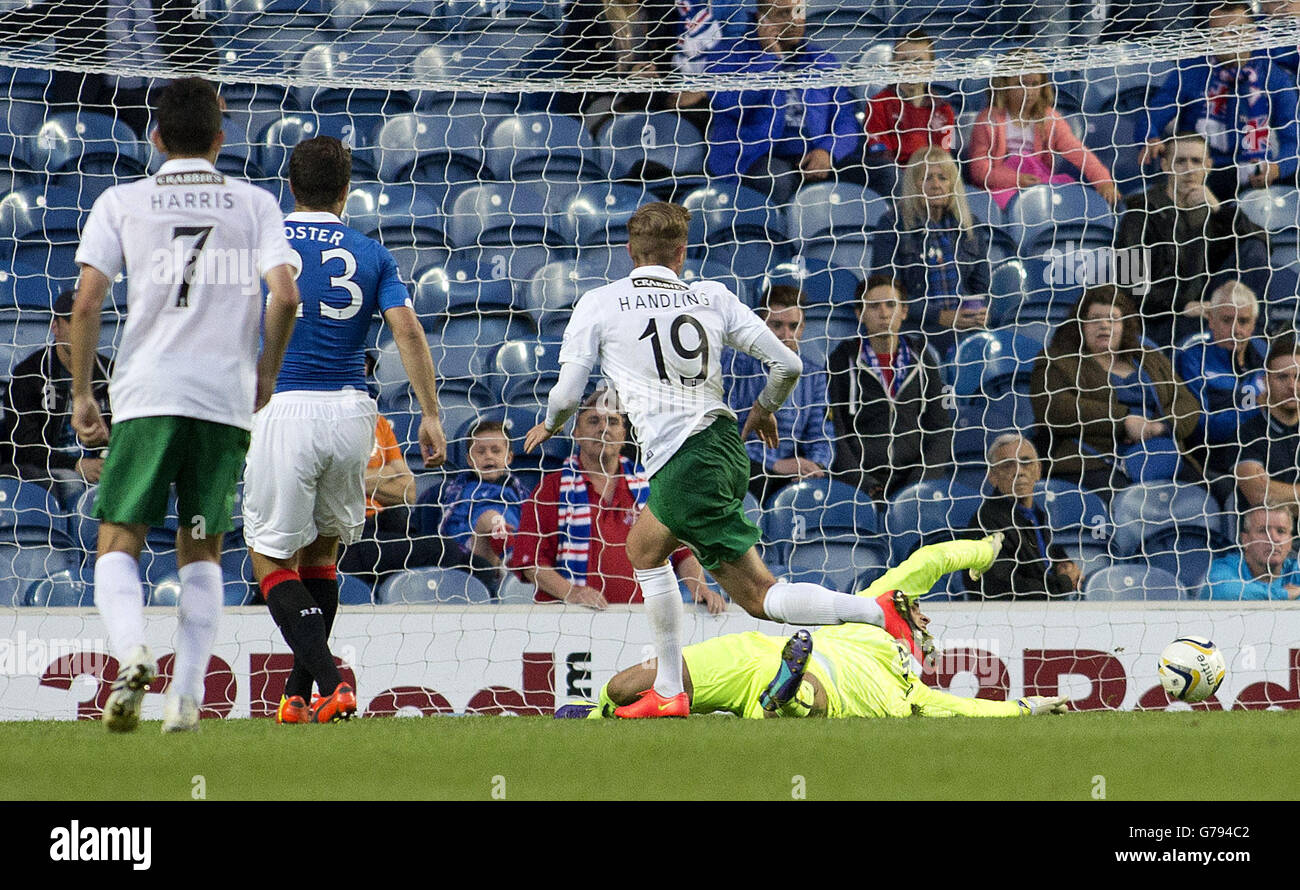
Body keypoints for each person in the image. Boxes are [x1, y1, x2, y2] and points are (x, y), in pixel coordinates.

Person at [524, 202, 906, 719]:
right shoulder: (712, 295)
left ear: (629, 253)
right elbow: (789, 362)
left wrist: (550, 423)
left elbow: (569, 391)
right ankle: (667, 689)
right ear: (682, 254)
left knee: (760, 596)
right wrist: (766, 409)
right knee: (643, 546)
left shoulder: (600, 302)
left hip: (687, 459)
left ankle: (879, 614)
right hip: (725, 444)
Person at [69, 78, 301, 733]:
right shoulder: (255, 204)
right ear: (221, 141)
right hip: (223, 398)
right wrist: (265, 373)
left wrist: (85, 390)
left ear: (156, 137)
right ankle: (187, 701)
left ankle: (132, 654)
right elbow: (285, 296)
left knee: (119, 538)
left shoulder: (123, 200)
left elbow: (86, 302)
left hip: (147, 393)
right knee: (201, 549)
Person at [241, 136, 446, 726]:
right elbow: (407, 331)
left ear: (289, 187)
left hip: (285, 406)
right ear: (346, 192)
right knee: (323, 552)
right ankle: (299, 698)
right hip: (354, 413)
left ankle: (332, 682)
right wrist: (430, 413)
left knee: (268, 558)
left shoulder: (264, 242)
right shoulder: (371, 251)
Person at [562, 538, 1070, 720]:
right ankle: (600, 708)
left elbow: (967, 707)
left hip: (801, 669)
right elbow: (936, 558)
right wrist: (987, 550)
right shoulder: (879, 610)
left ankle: (784, 694)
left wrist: (1023, 707)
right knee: (627, 686)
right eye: (920, 610)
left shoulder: (912, 691)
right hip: (764, 655)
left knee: (811, 694)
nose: (927, 616)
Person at [512, 390, 723, 612]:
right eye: (593, 420)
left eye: (613, 421)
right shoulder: (550, 489)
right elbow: (531, 562)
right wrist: (572, 592)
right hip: (570, 622)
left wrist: (700, 588)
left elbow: (682, 551)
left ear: (624, 433)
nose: (604, 428)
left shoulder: (652, 486)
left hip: (643, 621)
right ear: (575, 432)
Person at [1030, 285, 1202, 500]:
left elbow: (1187, 403)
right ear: (1080, 325)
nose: (1104, 325)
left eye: (1113, 319)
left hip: (1160, 452)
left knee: (1208, 493)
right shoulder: (1056, 360)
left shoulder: (1148, 357)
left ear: (1125, 326)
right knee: (1130, 505)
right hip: (1093, 462)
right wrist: (1124, 422)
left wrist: (1159, 426)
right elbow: (1054, 408)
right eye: (1095, 319)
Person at [1116, 131, 1270, 347]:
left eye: (1196, 161)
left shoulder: (1212, 210)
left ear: (1208, 165)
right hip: (1162, 317)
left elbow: (1263, 242)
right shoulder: (1139, 212)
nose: (1189, 169)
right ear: (1165, 165)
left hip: (1211, 309)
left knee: (1252, 248)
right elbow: (1130, 286)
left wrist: (1218, 211)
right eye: (1180, 161)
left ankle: (1256, 337)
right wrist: (1183, 305)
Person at [705, 0, 861, 205]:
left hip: (815, 153)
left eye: (799, 11)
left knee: (882, 174)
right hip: (755, 156)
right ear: (761, 18)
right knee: (778, 179)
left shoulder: (823, 60)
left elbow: (846, 119)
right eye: (783, 13)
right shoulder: (727, 55)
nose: (794, 20)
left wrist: (828, 151)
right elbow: (730, 104)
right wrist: (769, 59)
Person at [1141, 3, 1300, 198]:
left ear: (1253, 33)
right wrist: (1150, 137)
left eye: (1233, 33)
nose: (1224, 40)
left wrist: (1278, 167)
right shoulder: (1191, 69)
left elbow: (1293, 139)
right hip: (1201, 172)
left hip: (1253, 174)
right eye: (1217, 33)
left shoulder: (1273, 77)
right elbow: (1154, 114)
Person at [0, 0, 213, 138]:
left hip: (166, 98)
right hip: (99, 99)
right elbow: (32, 20)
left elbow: (201, 44)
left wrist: (208, 89)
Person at [827, 276, 954, 500]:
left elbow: (940, 429)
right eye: (874, 306)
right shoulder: (840, 360)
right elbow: (836, 431)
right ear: (860, 314)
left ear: (904, 312)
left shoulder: (922, 358)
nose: (884, 313)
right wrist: (863, 483)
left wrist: (920, 482)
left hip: (914, 483)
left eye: (891, 305)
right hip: (860, 486)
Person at [871, 147, 992, 358]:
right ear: (913, 184)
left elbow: (982, 287)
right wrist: (940, 316)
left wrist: (981, 312)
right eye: (927, 178)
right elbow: (886, 291)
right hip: (916, 328)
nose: (936, 185)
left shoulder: (970, 225)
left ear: (952, 184)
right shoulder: (892, 224)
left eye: (943, 178)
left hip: (965, 327)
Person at [0, 290, 113, 508]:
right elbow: (25, 447)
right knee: (71, 484)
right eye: (73, 321)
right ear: (55, 327)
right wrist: (77, 465)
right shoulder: (29, 376)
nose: (81, 330)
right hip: (50, 469)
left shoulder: (111, 374)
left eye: (87, 321)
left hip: (102, 465)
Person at [721, 284, 832, 504]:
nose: (785, 334)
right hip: (745, 465)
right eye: (776, 325)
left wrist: (815, 465)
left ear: (802, 329)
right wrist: (773, 463)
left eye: (793, 326)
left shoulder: (813, 374)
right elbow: (726, 435)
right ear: (760, 325)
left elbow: (821, 434)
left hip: (795, 470)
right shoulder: (736, 365)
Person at [968, 63, 1119, 211]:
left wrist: (1103, 181)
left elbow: (1078, 152)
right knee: (1006, 204)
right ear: (1003, 86)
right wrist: (1017, 180)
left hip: (1038, 181)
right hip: (1001, 184)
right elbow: (979, 170)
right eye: (1021, 84)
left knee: (1069, 196)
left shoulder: (1049, 118)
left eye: (1035, 84)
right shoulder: (988, 119)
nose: (1029, 91)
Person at [334, 407, 447, 586]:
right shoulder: (322, 423)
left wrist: (351, 478)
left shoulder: (379, 422)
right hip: (342, 534)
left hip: (383, 525)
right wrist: (389, 471)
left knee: (457, 556)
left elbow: (409, 492)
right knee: (442, 551)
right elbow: (332, 484)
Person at [964, 434, 1082, 599]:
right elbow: (1002, 589)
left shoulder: (1036, 514)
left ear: (1038, 470)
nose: (1019, 472)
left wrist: (1065, 565)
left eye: (1026, 462)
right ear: (992, 477)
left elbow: (1043, 555)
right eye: (1008, 465)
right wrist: (1062, 584)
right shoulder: (986, 522)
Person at [1174, 280, 1268, 475]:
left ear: (1253, 324)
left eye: (1243, 321)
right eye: (1227, 320)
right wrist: (1258, 408)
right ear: (1211, 321)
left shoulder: (1266, 354)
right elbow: (1199, 427)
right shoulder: (1192, 358)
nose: (1236, 330)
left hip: (1264, 456)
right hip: (1213, 463)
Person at [429, 418, 530, 580]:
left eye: (496, 451)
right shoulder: (461, 491)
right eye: (481, 452)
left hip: (515, 545)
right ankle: (511, 559)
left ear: (509, 458)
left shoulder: (519, 491)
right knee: (490, 517)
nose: (488, 456)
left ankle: (511, 560)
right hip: (473, 554)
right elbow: (451, 528)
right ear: (470, 460)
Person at [860, 29, 957, 198]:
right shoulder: (878, 104)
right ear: (892, 66)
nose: (911, 67)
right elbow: (880, 153)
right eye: (903, 61)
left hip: (932, 178)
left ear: (931, 67)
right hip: (897, 180)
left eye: (919, 61)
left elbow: (944, 154)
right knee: (889, 173)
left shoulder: (943, 109)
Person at [1231, 334, 1300, 508]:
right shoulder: (1247, 433)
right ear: (1265, 382)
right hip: (1267, 532)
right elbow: (1260, 494)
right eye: (1282, 377)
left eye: (1298, 377)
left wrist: (1284, 494)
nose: (1292, 385)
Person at [1201, 504, 1300, 600]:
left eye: (1281, 531)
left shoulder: (1296, 571)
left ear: (1290, 542)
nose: (1274, 538)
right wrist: (1283, 595)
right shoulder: (1224, 567)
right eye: (1263, 531)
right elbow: (1222, 591)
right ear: (1245, 540)